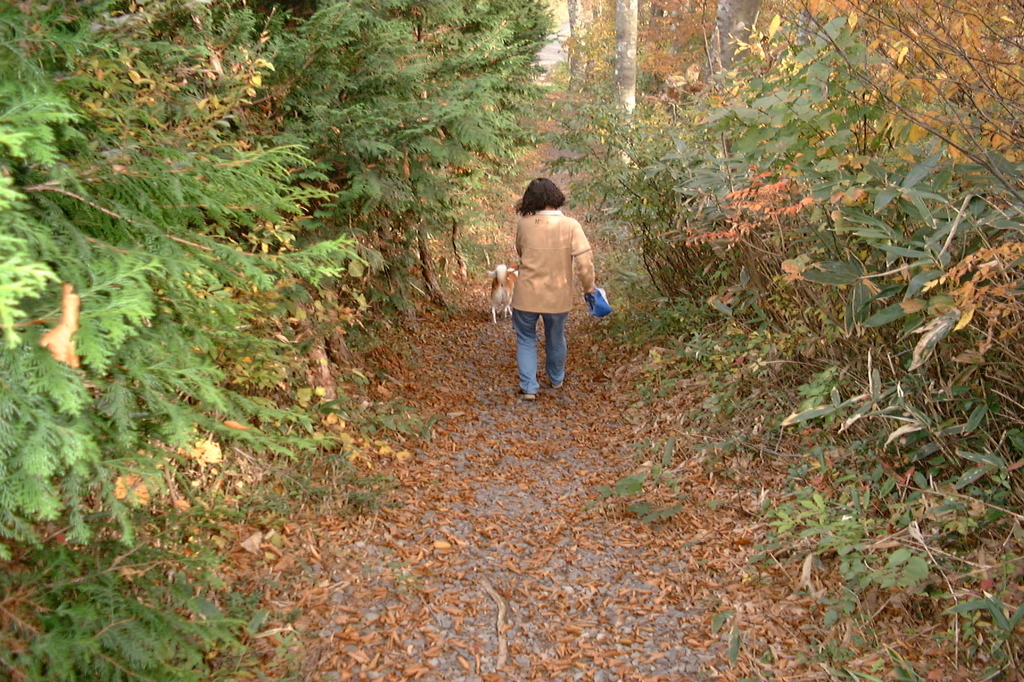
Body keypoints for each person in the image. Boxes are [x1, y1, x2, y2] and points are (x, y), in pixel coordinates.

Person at [510, 178, 596, 401]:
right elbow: (584, 262)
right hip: (557, 296)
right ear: (557, 197)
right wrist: (590, 289)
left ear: (530, 200)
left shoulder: (524, 225)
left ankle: (529, 387)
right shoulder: (571, 225)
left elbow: (521, 252)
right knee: (555, 336)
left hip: (526, 294)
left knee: (526, 339)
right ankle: (556, 379)